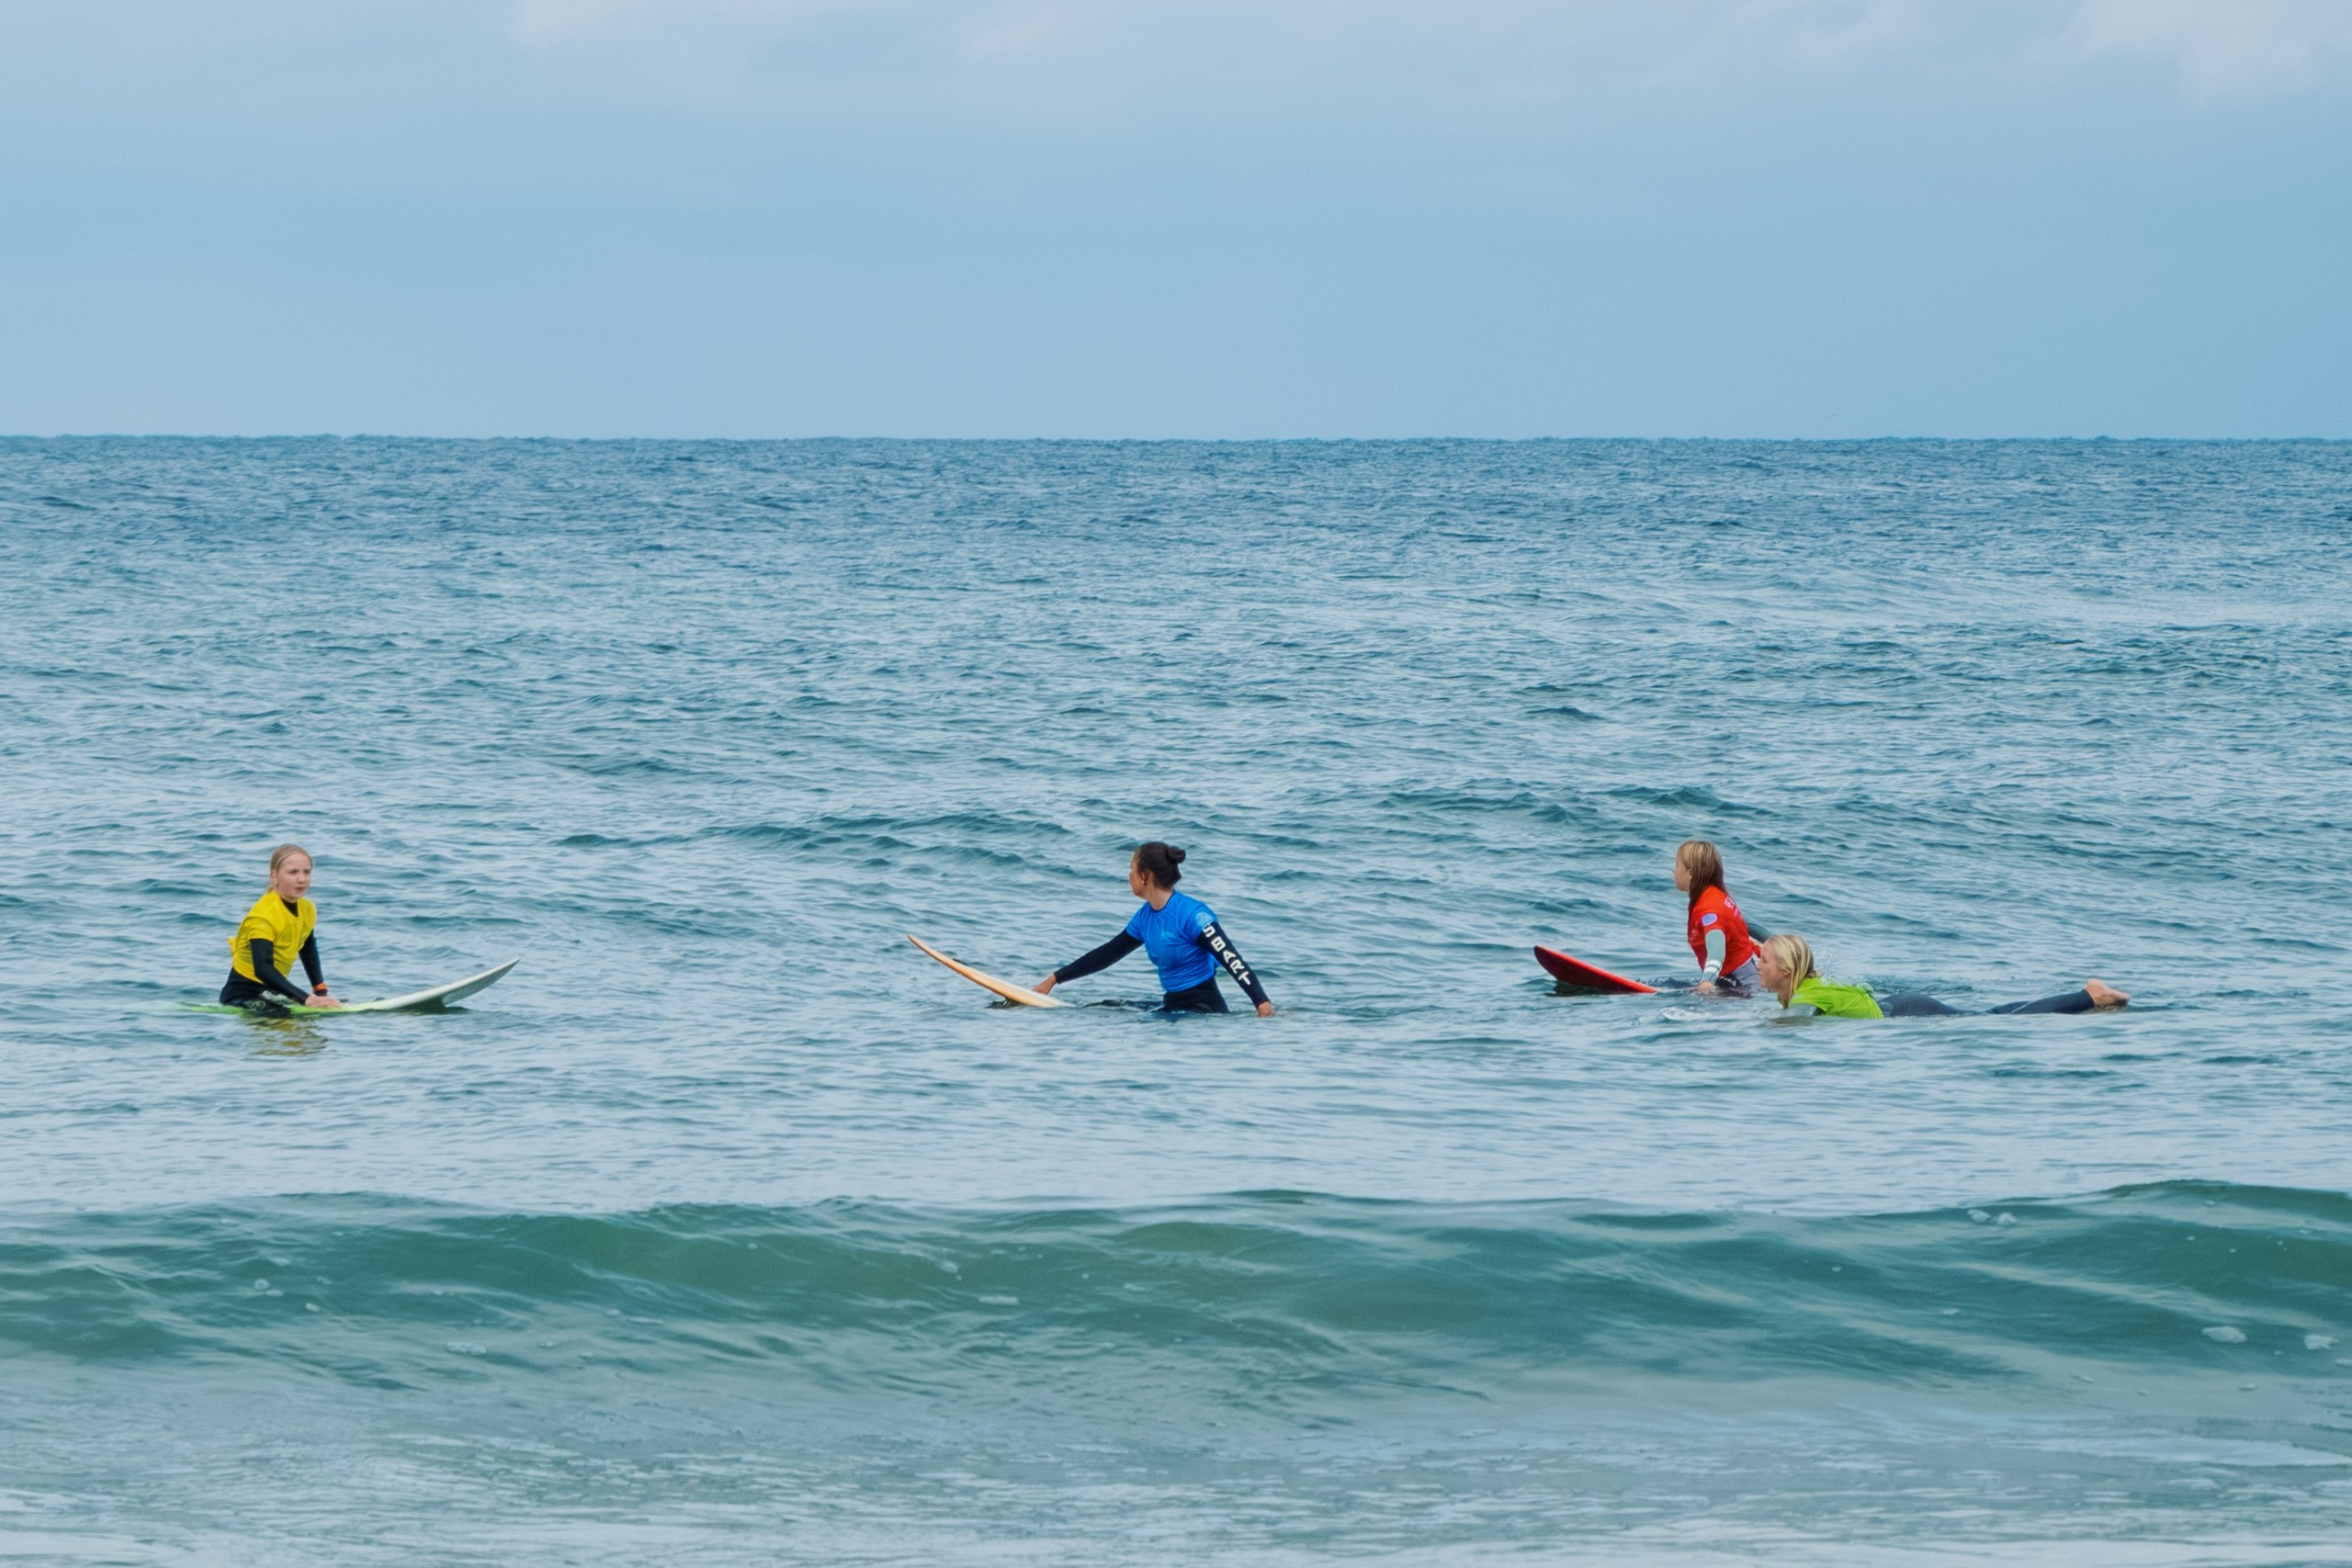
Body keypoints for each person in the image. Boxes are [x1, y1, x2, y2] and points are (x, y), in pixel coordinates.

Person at [1036, 842, 1273, 1015]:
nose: (1128, 875)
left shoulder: (1193, 916)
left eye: (1131, 868)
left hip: (1203, 1010)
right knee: (1104, 1009)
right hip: (1174, 1004)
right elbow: (1108, 954)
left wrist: (1261, 1004)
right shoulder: (1145, 918)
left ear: (1145, 875)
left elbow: (1232, 960)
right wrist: (1055, 979)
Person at [1755, 933, 2128, 1019]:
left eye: (1765, 961)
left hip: (1907, 1011)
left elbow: (1791, 1024)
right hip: (1901, 1004)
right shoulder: (1805, 987)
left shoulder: (1802, 999)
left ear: (1786, 971)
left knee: (1997, 1020)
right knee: (1994, 1016)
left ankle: (2089, 996)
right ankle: (2086, 997)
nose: (1757, 964)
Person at [220, 844, 340, 1011]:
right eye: (293, 872)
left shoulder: (307, 908)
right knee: (281, 1015)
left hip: (272, 992)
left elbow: (307, 948)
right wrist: (306, 999)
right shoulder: (263, 916)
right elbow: (263, 969)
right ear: (274, 877)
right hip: (242, 993)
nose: (302, 879)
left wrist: (320, 991)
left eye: (307, 872)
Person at [1675, 839, 1759, 995]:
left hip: (1741, 988)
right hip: (1740, 980)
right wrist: (1776, 941)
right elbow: (1741, 919)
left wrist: (1707, 981)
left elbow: (1716, 952)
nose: (1674, 871)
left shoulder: (1709, 909)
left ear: (1691, 873)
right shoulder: (1714, 895)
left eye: (1677, 865)